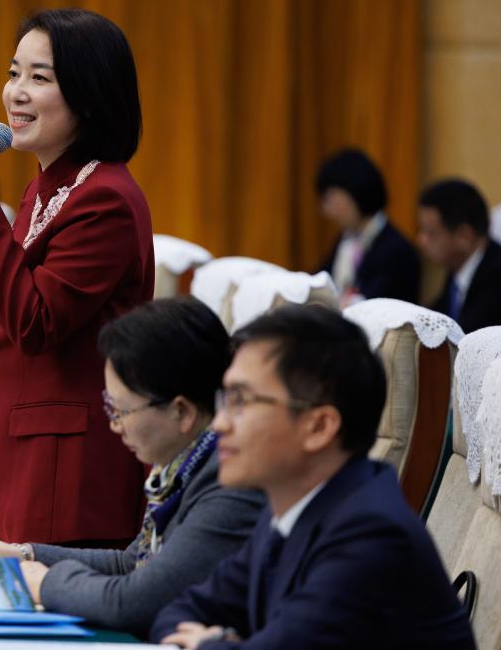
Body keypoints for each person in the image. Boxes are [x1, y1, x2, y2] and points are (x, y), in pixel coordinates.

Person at [0, 8, 154, 545]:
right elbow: (40, 319)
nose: (16, 92)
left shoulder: (105, 199)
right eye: (14, 73)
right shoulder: (47, 188)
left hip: (66, 477)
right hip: (21, 464)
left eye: (40, 78)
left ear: (90, 96)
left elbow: (38, 324)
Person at [0, 297, 263, 638]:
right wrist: (20, 554)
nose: (114, 425)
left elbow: (136, 600)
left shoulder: (229, 483)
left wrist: (43, 582)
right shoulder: (185, 466)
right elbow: (131, 562)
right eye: (110, 408)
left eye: (122, 411)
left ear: (182, 412)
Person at [150, 306, 475, 649]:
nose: (219, 424)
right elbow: (179, 611)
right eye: (224, 399)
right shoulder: (292, 504)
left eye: (240, 401)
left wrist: (213, 643)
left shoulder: (371, 536)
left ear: (319, 427)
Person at [316, 148, 420, 305]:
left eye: (330, 200)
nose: (326, 211)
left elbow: (374, 303)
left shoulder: (397, 250)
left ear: (355, 191)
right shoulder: (345, 240)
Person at [419, 177, 501, 333]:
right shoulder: (458, 265)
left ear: (464, 236)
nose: (421, 240)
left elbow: (463, 335)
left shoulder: (496, 280)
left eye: (431, 233)